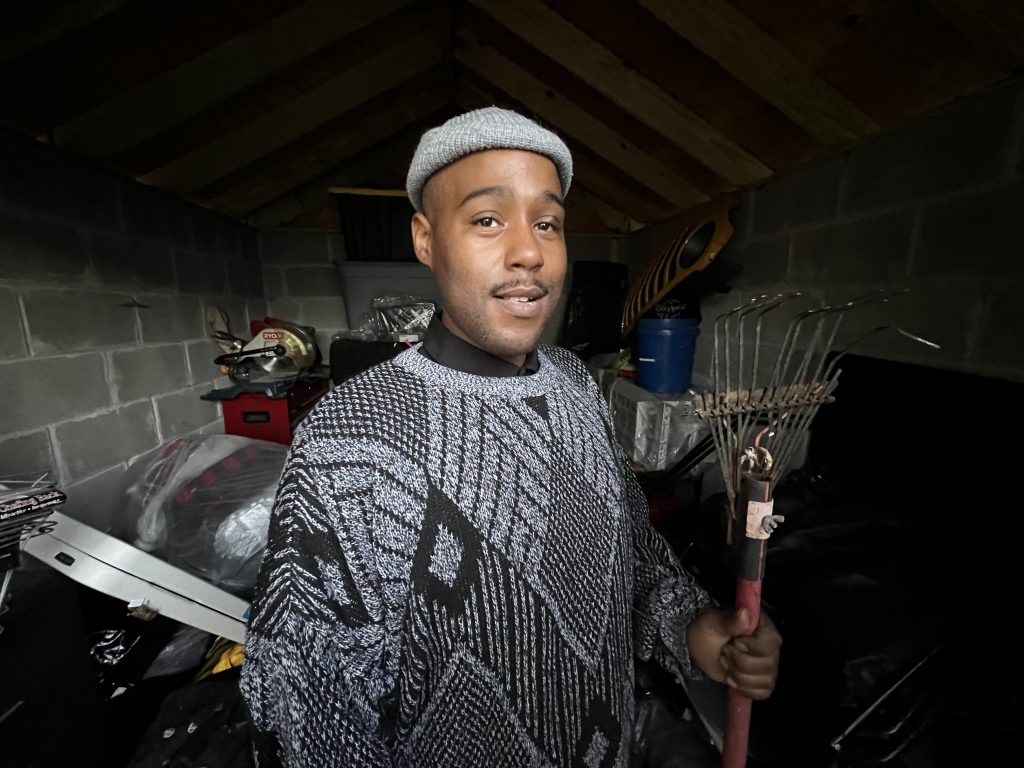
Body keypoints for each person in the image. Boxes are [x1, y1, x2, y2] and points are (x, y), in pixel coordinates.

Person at [241, 107, 782, 767]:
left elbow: (631, 559)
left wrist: (697, 630)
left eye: (547, 223)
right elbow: (313, 711)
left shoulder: (574, 384)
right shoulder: (351, 435)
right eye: (487, 220)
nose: (529, 252)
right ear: (425, 238)